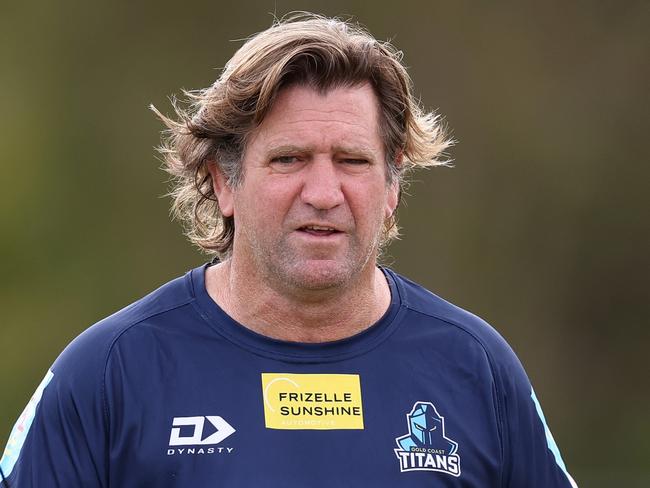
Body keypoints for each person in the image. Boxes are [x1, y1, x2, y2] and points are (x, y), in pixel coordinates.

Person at [1, 13, 578, 487]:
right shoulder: (107, 376)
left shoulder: (476, 369)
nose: (324, 194)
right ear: (224, 181)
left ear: (393, 185)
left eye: (353, 161)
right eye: (288, 159)